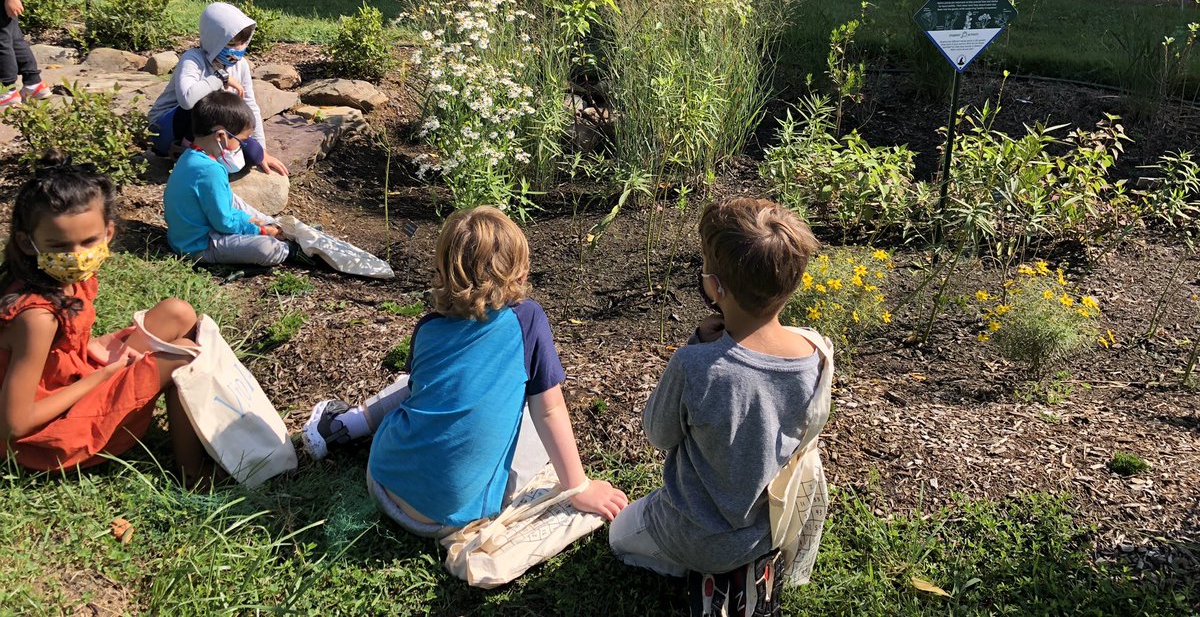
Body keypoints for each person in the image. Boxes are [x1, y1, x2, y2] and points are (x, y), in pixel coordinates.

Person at [302, 205, 628, 534]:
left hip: (384, 480)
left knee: (419, 386)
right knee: (535, 421)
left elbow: (419, 389)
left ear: (443, 273)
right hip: (454, 516)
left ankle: (346, 425)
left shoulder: (428, 327)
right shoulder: (528, 320)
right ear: (522, 274)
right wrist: (579, 487)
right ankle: (355, 428)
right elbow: (550, 410)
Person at [609, 198, 831, 586]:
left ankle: (691, 570)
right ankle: (739, 571)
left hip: (692, 534)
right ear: (794, 282)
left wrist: (697, 345)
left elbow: (658, 435)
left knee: (618, 537)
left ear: (715, 286)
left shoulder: (695, 365)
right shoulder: (816, 355)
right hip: (766, 532)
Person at [0, 150, 209, 483]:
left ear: (108, 233)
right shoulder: (36, 317)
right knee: (182, 357)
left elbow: (63, 356)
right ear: (28, 243)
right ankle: (194, 474)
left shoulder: (67, 280)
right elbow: (16, 424)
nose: (77, 255)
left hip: (70, 379)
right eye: (59, 246)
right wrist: (103, 376)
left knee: (176, 312)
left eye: (88, 241)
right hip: (48, 435)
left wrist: (109, 351)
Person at [147, 1, 288, 176]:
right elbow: (186, 100)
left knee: (253, 153)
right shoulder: (193, 59)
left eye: (243, 43)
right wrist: (221, 78)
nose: (239, 50)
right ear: (215, 40)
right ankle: (188, 151)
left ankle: (208, 151)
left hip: (209, 125)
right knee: (207, 102)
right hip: (167, 127)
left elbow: (250, 105)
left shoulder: (241, 65)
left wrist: (262, 148)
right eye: (231, 44)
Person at [163, 91, 291, 268]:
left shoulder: (189, 156)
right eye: (241, 140)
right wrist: (259, 230)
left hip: (184, 236)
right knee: (273, 249)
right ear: (221, 136)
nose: (242, 146)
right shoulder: (211, 169)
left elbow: (222, 207)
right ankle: (283, 239)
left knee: (231, 198)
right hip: (199, 246)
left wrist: (248, 220)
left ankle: (270, 224)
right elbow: (223, 222)